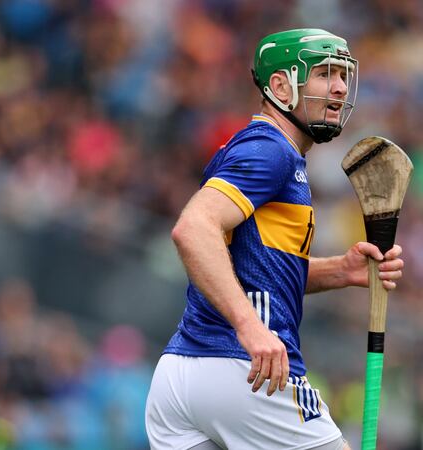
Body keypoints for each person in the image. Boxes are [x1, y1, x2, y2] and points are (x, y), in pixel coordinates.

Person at [145, 29, 405, 450]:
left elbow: (251, 267)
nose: (340, 87)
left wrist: (340, 270)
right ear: (281, 87)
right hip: (246, 370)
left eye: (343, 75)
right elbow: (193, 229)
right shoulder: (272, 150)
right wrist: (250, 327)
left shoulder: (266, 151)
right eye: (324, 74)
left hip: (180, 376)